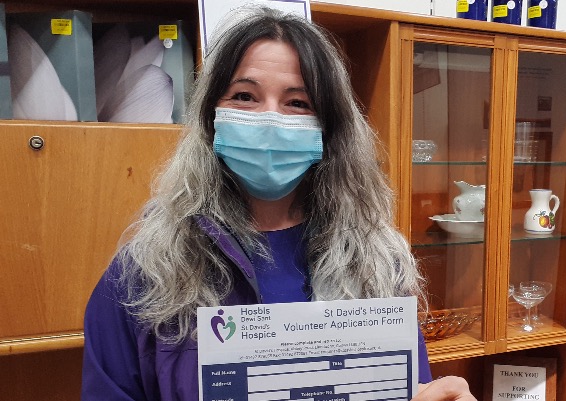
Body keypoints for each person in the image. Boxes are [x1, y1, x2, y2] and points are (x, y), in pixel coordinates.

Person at [81, 6, 475, 401]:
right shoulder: (144, 274)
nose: (269, 119)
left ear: (329, 128)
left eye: (298, 103)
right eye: (244, 96)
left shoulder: (376, 263)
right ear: (210, 119)